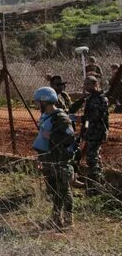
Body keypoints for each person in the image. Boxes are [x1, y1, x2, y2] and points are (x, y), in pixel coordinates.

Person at [32, 87, 75, 229]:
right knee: (54, 189)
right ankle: (57, 218)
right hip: (48, 158)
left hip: (58, 159)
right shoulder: (45, 116)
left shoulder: (60, 118)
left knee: (63, 189)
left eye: (39, 102)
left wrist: (52, 137)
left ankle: (67, 220)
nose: (37, 105)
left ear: (45, 101)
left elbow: (69, 137)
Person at [69, 76, 109, 195]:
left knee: (92, 158)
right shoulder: (90, 98)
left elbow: (96, 117)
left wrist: (80, 118)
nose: (86, 86)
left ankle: (96, 187)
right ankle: (99, 183)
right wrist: (84, 130)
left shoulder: (100, 99)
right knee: (94, 157)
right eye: (85, 84)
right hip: (90, 131)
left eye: (89, 84)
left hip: (97, 132)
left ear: (96, 85)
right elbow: (87, 119)